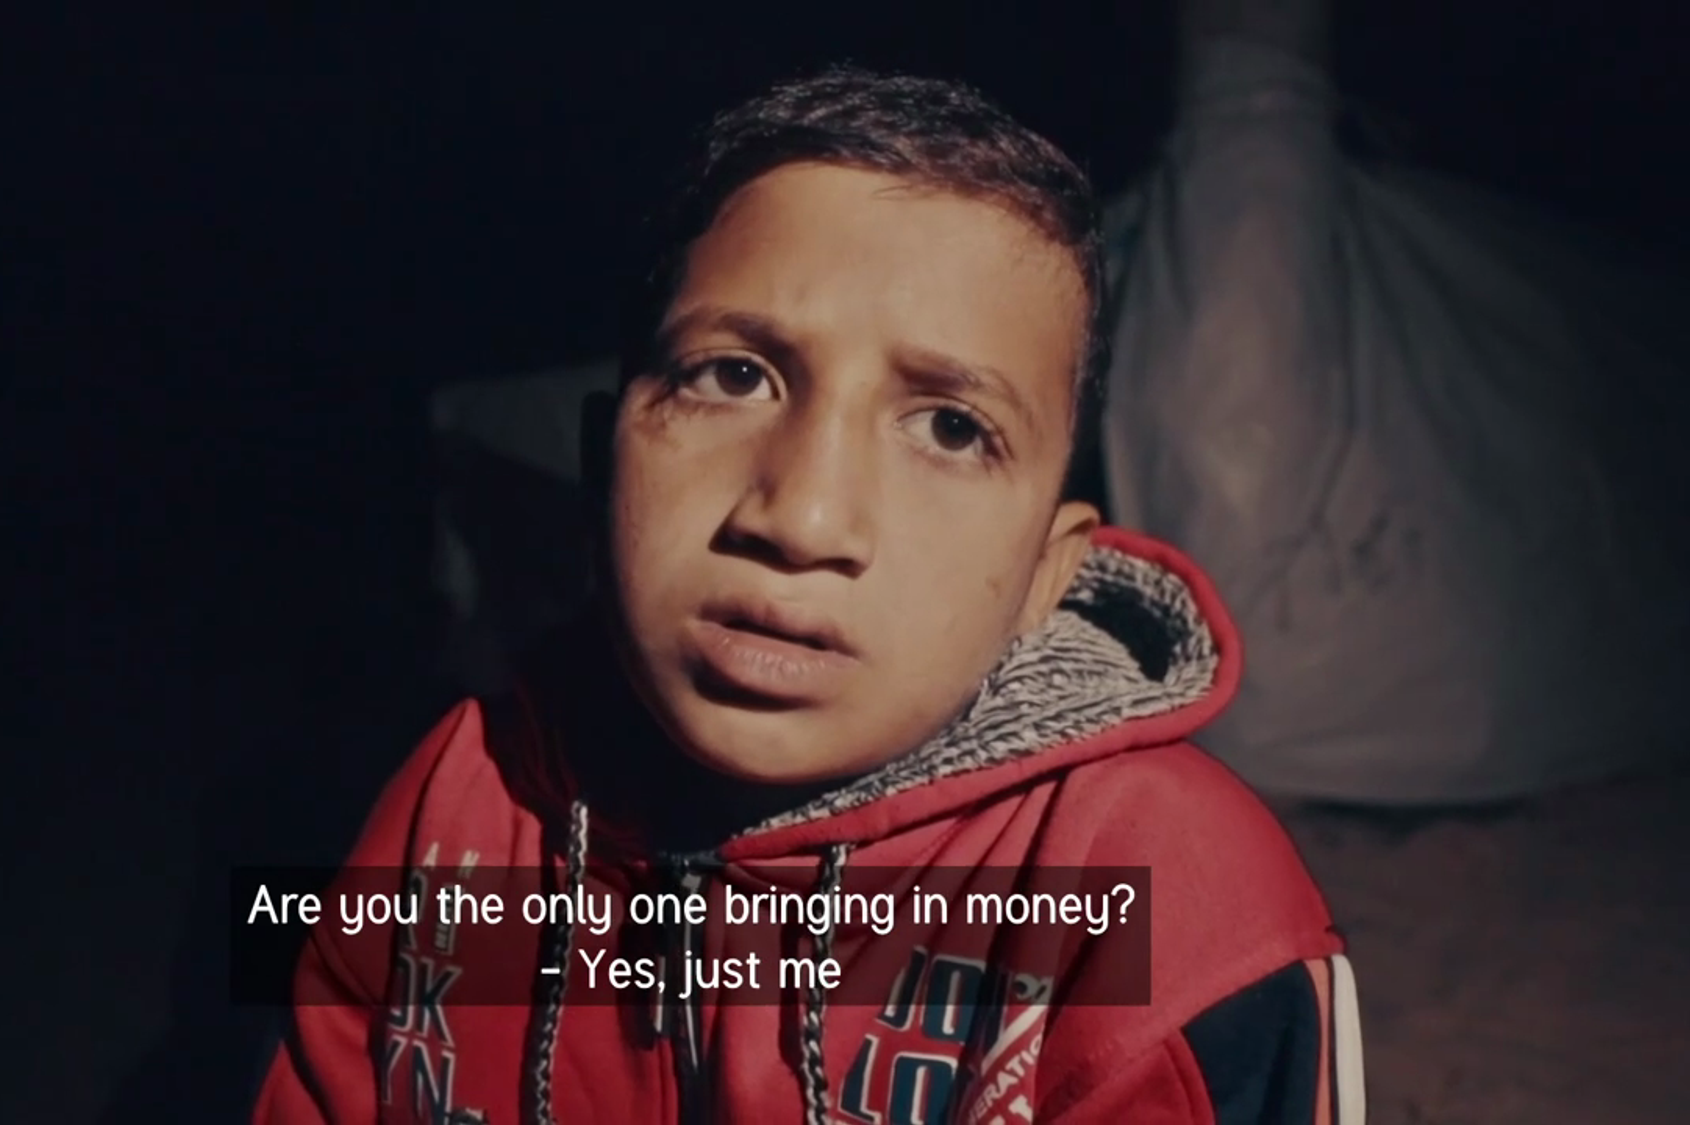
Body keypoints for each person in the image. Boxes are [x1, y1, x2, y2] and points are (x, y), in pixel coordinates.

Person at [253, 66, 1364, 1124]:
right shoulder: (459, 806)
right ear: (602, 463)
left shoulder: (1160, 915)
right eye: (731, 375)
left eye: (948, 427)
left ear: (1046, 571)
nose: (801, 520)